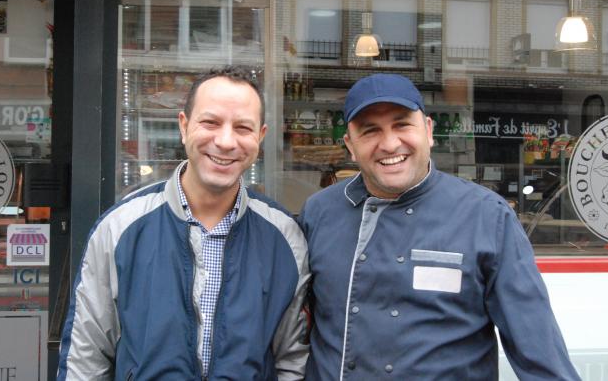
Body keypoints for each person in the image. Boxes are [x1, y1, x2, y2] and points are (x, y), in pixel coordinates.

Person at [299, 73, 580, 380]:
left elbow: (538, 351)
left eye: (402, 124)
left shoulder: (486, 216)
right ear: (350, 146)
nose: (390, 143)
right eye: (370, 131)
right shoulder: (320, 212)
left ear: (429, 131)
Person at [58, 66, 310, 380]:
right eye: (211, 122)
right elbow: (86, 358)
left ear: (260, 137)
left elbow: (293, 362)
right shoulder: (119, 228)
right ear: (184, 125)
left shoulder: (284, 237)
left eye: (243, 127)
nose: (226, 141)